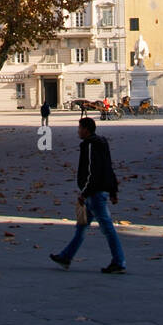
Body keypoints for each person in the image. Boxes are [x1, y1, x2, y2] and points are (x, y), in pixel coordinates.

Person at [50, 117, 125, 273]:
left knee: (107, 228)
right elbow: (108, 168)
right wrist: (113, 190)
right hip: (98, 191)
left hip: (95, 193)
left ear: (86, 129)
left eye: (79, 128)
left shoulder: (90, 145)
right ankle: (66, 257)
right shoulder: (102, 143)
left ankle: (119, 261)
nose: (78, 131)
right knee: (82, 227)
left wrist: (84, 193)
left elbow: (93, 172)